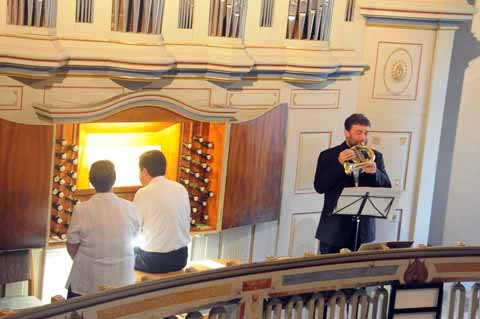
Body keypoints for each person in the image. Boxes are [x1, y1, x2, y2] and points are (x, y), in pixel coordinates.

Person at [313, 114, 391, 254]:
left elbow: (387, 188)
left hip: (364, 231)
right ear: (346, 132)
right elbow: (320, 187)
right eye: (358, 133)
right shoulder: (328, 155)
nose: (363, 138)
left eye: (366, 133)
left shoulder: (376, 156)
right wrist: (339, 164)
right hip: (333, 231)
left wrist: (376, 173)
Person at [66, 160, 140, 298]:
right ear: (114, 180)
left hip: (88, 280)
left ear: (91, 181)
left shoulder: (81, 209)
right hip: (122, 279)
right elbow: (134, 236)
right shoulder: (130, 207)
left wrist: (89, 258)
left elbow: (72, 246)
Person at [133, 150, 191, 273]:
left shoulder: (143, 193)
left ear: (144, 171)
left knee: (125, 253)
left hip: (155, 262)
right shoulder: (181, 188)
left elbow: (134, 229)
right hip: (181, 257)